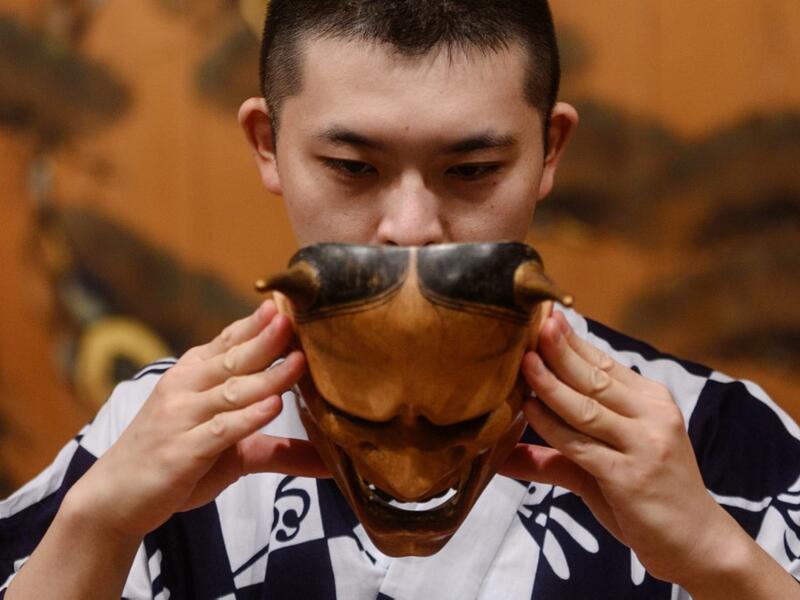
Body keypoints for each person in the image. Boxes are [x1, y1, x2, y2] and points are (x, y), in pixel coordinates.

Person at [3, 1, 800, 598]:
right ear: (267, 144)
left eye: (473, 170)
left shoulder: (714, 438)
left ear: (550, 151)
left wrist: (716, 556)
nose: (412, 229)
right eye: (353, 167)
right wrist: (96, 526)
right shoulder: (154, 438)